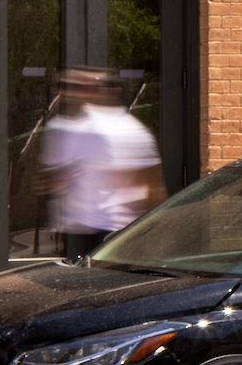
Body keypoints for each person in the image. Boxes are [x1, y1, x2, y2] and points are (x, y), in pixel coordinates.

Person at [38, 69, 164, 257]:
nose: (75, 93)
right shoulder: (66, 128)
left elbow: (152, 186)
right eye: (67, 86)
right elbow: (50, 180)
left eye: (87, 87)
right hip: (78, 227)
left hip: (114, 229)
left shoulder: (132, 130)